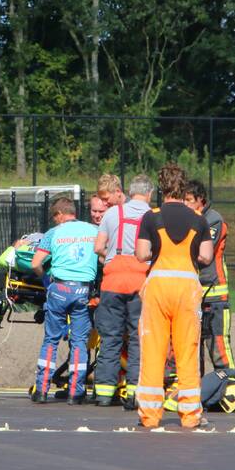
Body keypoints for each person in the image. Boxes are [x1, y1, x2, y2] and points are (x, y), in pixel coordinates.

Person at [134, 163, 213, 429]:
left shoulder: (151, 217)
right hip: (187, 288)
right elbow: (206, 256)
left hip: (158, 287)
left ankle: (150, 415)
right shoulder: (199, 219)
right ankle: (190, 415)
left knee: (153, 349)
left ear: (161, 188)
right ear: (184, 187)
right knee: (187, 351)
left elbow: (142, 254)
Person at [91, 174, 153, 408]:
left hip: (112, 282)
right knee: (138, 339)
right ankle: (134, 393)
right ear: (149, 194)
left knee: (110, 338)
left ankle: (104, 393)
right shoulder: (152, 216)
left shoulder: (112, 214)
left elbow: (98, 247)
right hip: (140, 282)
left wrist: (114, 258)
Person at [30, 196, 99, 404]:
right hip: (83, 290)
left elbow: (35, 263)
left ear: (60, 214)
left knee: (51, 340)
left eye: (55, 217)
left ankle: (41, 390)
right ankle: (76, 392)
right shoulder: (92, 231)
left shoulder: (54, 233)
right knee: (79, 342)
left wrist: (46, 280)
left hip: (59, 288)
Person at [184, 179, 235, 374]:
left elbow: (203, 254)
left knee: (218, 344)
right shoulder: (187, 220)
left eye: (190, 200)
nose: (186, 204)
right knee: (193, 345)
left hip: (214, 293)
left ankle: (230, 383)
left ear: (201, 201)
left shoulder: (214, 220)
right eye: (184, 200)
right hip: (193, 292)